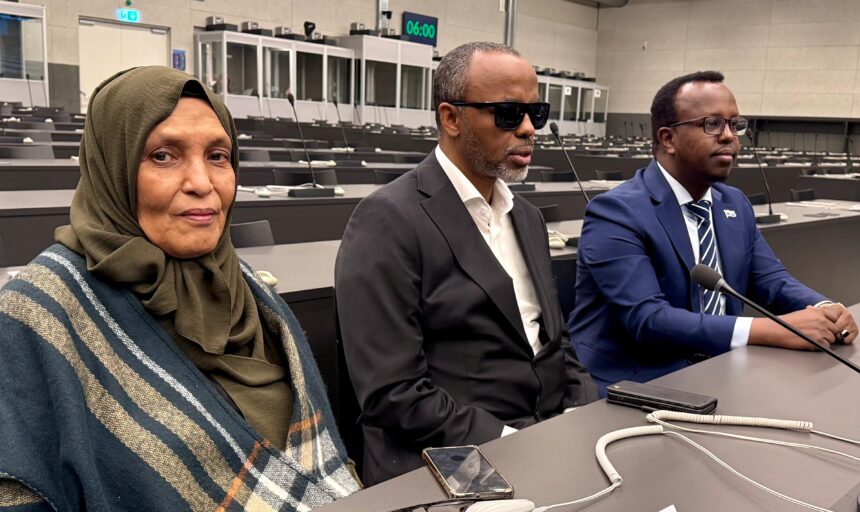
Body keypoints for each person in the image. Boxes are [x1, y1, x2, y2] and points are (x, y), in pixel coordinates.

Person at [0, 66, 360, 510]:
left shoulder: (246, 290)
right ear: (112, 165)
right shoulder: (37, 314)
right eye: (163, 156)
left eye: (218, 156)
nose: (202, 184)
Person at [335, 42, 598, 486]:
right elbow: (393, 393)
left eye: (537, 113)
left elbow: (553, 339)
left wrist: (581, 410)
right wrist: (514, 441)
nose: (529, 129)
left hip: (546, 433)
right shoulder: (389, 219)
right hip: (448, 450)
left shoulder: (527, 217)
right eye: (509, 114)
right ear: (451, 118)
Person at [570, 70, 858, 395]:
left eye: (735, 124)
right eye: (712, 124)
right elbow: (647, 318)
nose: (729, 137)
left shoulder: (733, 202)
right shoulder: (615, 211)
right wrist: (770, 329)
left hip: (722, 369)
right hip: (640, 380)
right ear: (668, 139)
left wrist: (824, 308)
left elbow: (770, 280)